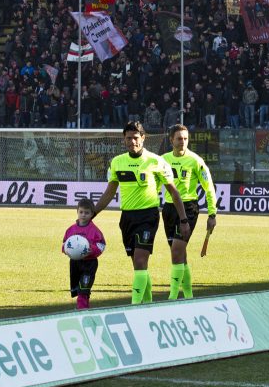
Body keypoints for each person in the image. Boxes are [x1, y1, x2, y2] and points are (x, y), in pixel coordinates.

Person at [93, 121, 188, 304]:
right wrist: (93, 214)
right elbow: (110, 192)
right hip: (127, 218)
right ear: (124, 139)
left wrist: (183, 220)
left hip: (148, 216)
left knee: (140, 260)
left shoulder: (156, 161)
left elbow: (174, 192)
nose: (132, 142)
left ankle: (135, 306)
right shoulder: (117, 163)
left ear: (143, 138)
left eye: (136, 138)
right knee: (138, 265)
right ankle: (148, 302)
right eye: (128, 138)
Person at [161, 124, 218, 299]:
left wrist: (212, 214)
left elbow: (208, 188)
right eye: (179, 138)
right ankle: (188, 295)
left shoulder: (196, 160)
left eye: (185, 138)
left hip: (189, 209)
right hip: (169, 209)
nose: (183, 142)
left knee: (176, 252)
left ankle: (172, 296)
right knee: (180, 254)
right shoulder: (162, 160)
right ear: (171, 140)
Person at [62, 199, 106, 309]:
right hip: (75, 263)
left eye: (86, 213)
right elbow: (64, 244)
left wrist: (92, 249)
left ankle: (82, 312)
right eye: (81, 212)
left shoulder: (95, 230)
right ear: (77, 211)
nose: (83, 215)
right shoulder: (71, 230)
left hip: (89, 264)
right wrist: (66, 250)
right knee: (79, 290)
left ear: (92, 214)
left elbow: (101, 245)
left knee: (83, 290)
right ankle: (84, 309)